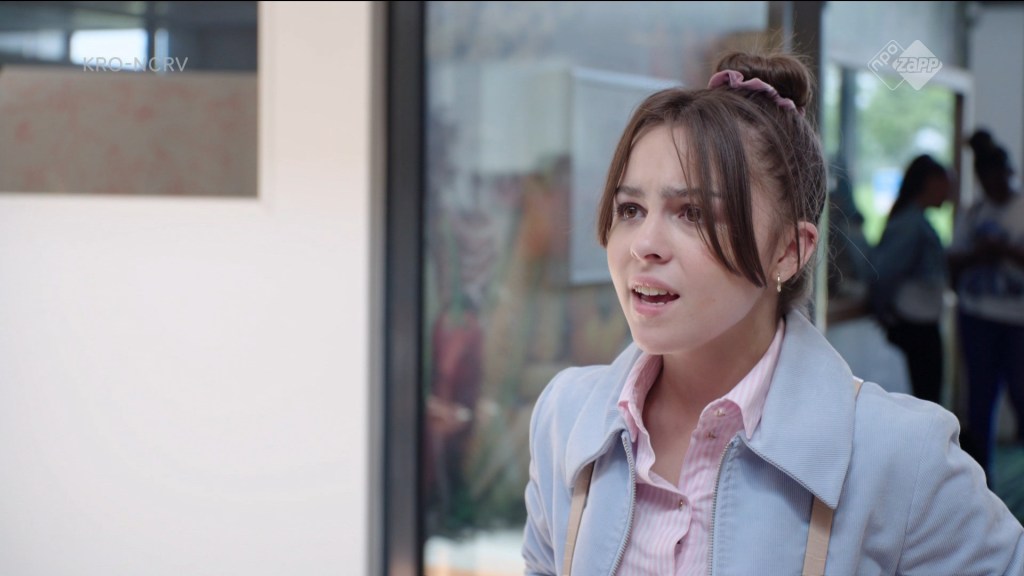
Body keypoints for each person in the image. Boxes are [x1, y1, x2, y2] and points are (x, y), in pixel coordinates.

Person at [521, 52, 1024, 575]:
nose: (643, 244)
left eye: (692, 213)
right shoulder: (566, 419)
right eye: (630, 209)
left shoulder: (899, 455)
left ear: (788, 250)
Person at [949, 129, 1024, 486]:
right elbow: (954, 259)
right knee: (980, 398)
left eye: (999, 179)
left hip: (1018, 321)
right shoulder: (973, 212)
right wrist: (979, 254)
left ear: (1009, 173)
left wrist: (1004, 250)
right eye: (986, 181)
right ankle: (982, 481)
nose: (993, 186)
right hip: (977, 316)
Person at [868, 154, 954, 404]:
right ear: (930, 183)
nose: (949, 193)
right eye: (945, 184)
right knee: (928, 400)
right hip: (915, 324)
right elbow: (885, 272)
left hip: (920, 321)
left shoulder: (916, 221)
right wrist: (882, 310)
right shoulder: (911, 224)